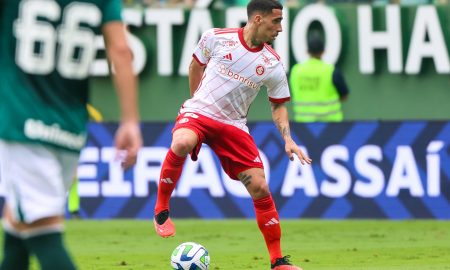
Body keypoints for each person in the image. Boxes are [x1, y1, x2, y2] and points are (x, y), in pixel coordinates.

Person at [152, 0, 311, 269]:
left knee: (260, 187)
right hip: (200, 114)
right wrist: (197, 105)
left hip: (233, 126)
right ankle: (161, 210)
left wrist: (287, 139)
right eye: (276, 21)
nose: (281, 28)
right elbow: (195, 66)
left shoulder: (272, 64)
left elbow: (278, 105)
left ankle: (278, 261)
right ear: (258, 19)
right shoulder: (216, 38)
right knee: (182, 141)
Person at [0, 1, 142, 269]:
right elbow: (121, 51)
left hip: (23, 124)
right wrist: (130, 121)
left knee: (43, 233)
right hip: (70, 129)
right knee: (17, 227)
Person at [289, 32, 349, 122]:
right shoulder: (331, 70)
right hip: (330, 125)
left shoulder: (295, 71)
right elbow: (344, 96)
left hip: (303, 125)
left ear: (307, 51)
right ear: (323, 51)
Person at [68, 104, 104, 219]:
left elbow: (97, 117)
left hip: (71, 146)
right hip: (54, 144)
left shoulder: (79, 108)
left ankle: (73, 210)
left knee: (74, 179)